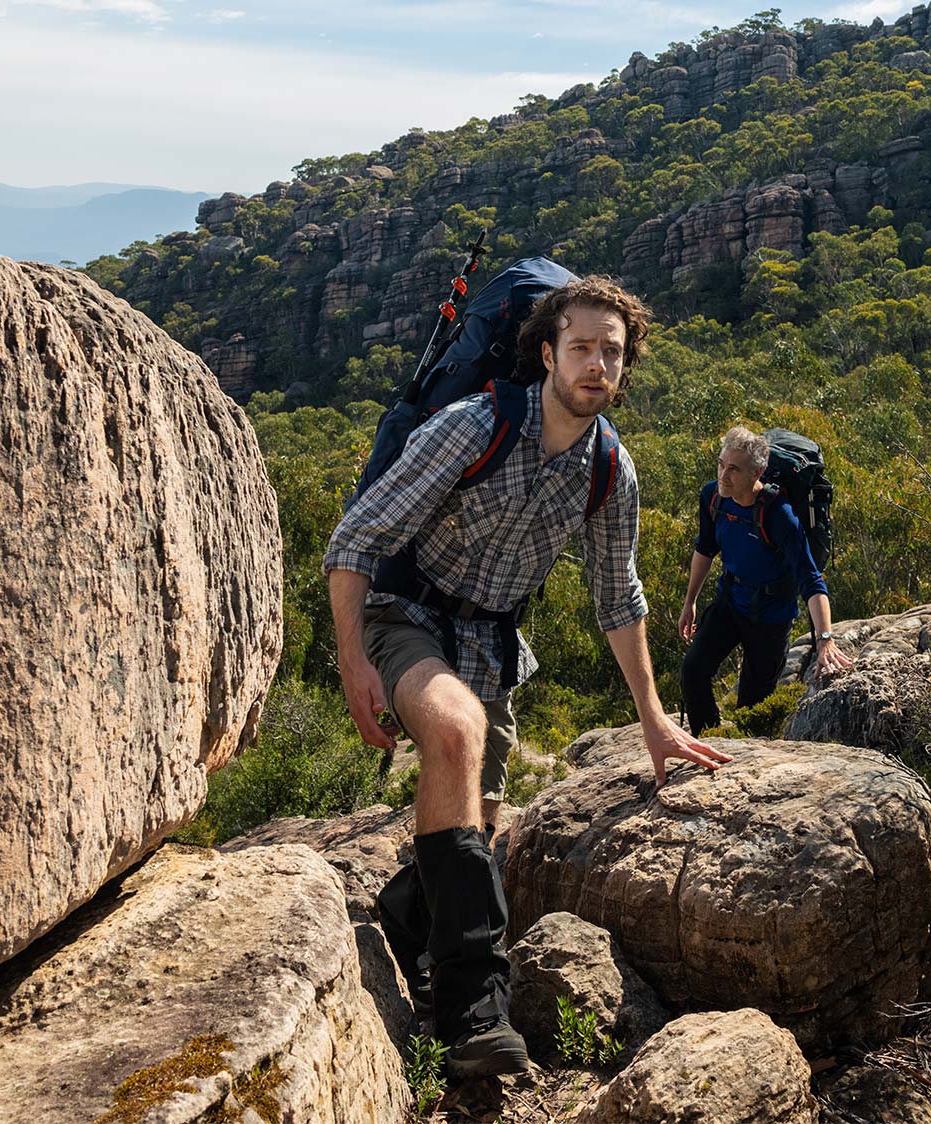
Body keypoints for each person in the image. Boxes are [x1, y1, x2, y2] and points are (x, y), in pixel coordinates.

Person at [323, 276, 730, 1079]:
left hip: (490, 645)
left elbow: (620, 597)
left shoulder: (611, 470)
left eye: (611, 353)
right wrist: (353, 659)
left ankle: (394, 934)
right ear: (547, 353)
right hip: (405, 616)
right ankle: (474, 1010)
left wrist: (652, 715)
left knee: (479, 823)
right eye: (581, 347)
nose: (596, 364)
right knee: (455, 731)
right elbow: (355, 539)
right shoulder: (470, 428)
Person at [677, 426, 855, 734]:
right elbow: (705, 548)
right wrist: (690, 602)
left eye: (733, 469)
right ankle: (707, 741)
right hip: (730, 602)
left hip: (771, 618)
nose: (723, 475)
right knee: (693, 671)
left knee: (751, 710)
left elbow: (811, 580)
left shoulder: (779, 515)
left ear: (757, 471)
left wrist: (825, 639)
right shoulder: (713, 497)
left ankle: (741, 755)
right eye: (721, 464)